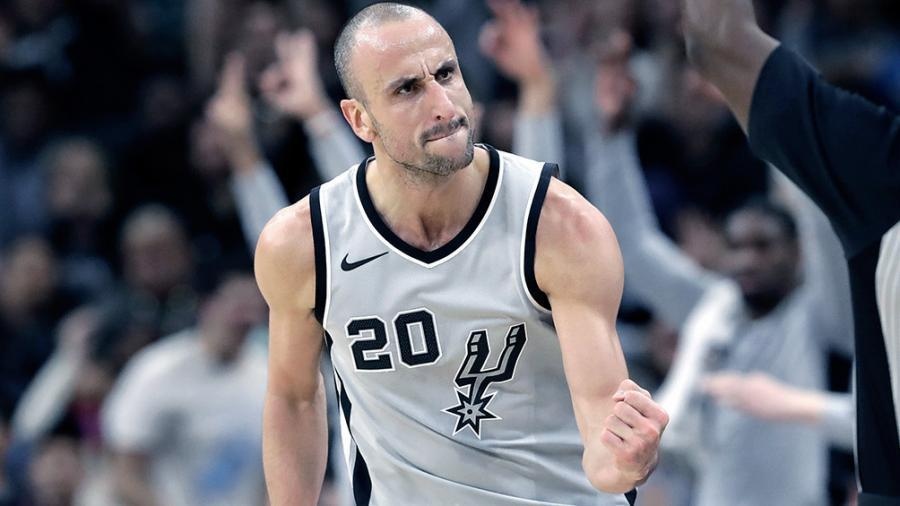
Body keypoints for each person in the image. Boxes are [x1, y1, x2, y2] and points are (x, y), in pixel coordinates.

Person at [254, 3, 668, 505]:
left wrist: (627, 459)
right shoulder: (304, 242)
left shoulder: (560, 226)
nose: (443, 104)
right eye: (408, 89)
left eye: (447, 74)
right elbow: (294, 398)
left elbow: (603, 430)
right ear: (360, 120)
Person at [681, 0, 900, 503]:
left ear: (795, 255)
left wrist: (792, 404)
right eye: (738, 247)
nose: (750, 261)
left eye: (764, 246)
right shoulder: (712, 307)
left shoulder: (819, 311)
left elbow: (717, 39)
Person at [101, 271, 268, 506]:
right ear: (208, 306)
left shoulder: (268, 376)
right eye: (238, 304)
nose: (244, 317)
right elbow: (124, 472)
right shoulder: (157, 370)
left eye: (253, 307)